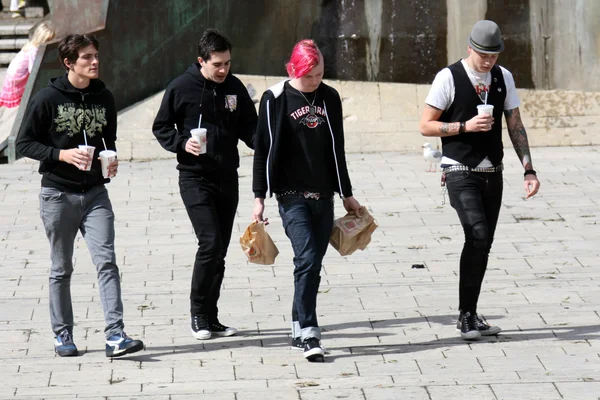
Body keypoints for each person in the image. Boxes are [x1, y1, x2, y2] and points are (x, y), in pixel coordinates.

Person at [15, 34, 144, 358]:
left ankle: (115, 335)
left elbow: (107, 141)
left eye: (96, 56)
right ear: (69, 63)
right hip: (58, 194)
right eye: (87, 57)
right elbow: (24, 144)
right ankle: (63, 335)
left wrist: (109, 162)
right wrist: (62, 155)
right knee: (62, 268)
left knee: (107, 262)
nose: (94, 62)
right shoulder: (48, 98)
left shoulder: (104, 97)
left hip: (95, 194)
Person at [419, 20, 541, 340]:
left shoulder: (504, 78)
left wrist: (529, 169)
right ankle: (465, 316)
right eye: (483, 55)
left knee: (483, 244)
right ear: (470, 48)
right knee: (476, 233)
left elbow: (515, 124)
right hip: (459, 168)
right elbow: (426, 126)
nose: (488, 62)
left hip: (493, 172)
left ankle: (470, 314)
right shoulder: (448, 77)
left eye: (494, 56)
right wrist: (464, 126)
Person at [252, 39, 361, 362]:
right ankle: (310, 331)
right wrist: (259, 198)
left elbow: (336, 148)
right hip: (291, 195)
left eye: (319, 74)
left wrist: (347, 194)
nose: (315, 81)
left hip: (323, 194)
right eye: (309, 76)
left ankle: (298, 324)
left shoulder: (329, 97)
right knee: (308, 257)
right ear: (294, 70)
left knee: (310, 265)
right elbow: (263, 152)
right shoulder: (275, 99)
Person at [152, 29, 257, 340]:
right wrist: (182, 143)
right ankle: (197, 313)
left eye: (227, 63)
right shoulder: (181, 87)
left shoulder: (234, 87)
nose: (223, 70)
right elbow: (161, 126)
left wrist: (269, 145)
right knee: (209, 243)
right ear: (201, 61)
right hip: (195, 178)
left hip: (228, 178)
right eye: (217, 64)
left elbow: (249, 129)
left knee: (220, 251)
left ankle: (212, 317)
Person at [0, 21, 55, 108]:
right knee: (21, 98)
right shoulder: (33, 50)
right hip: (16, 77)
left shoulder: (30, 44)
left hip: (12, 72)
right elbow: (32, 69)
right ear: (42, 39)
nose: (49, 42)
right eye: (48, 40)